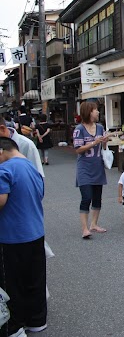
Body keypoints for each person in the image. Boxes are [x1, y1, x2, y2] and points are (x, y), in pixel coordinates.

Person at [0, 137, 47, 336]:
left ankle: (15, 326)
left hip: (12, 236)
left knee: (12, 283)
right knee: (34, 278)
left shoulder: (4, 170)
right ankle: (36, 320)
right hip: (35, 232)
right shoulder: (31, 167)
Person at [73, 101, 110, 239]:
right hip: (84, 168)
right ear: (89, 112)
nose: (98, 112)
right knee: (86, 197)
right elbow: (78, 150)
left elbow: (104, 148)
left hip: (98, 166)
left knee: (97, 197)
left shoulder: (100, 127)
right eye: (95, 110)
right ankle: (85, 228)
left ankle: (94, 224)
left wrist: (105, 141)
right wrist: (94, 142)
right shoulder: (79, 129)